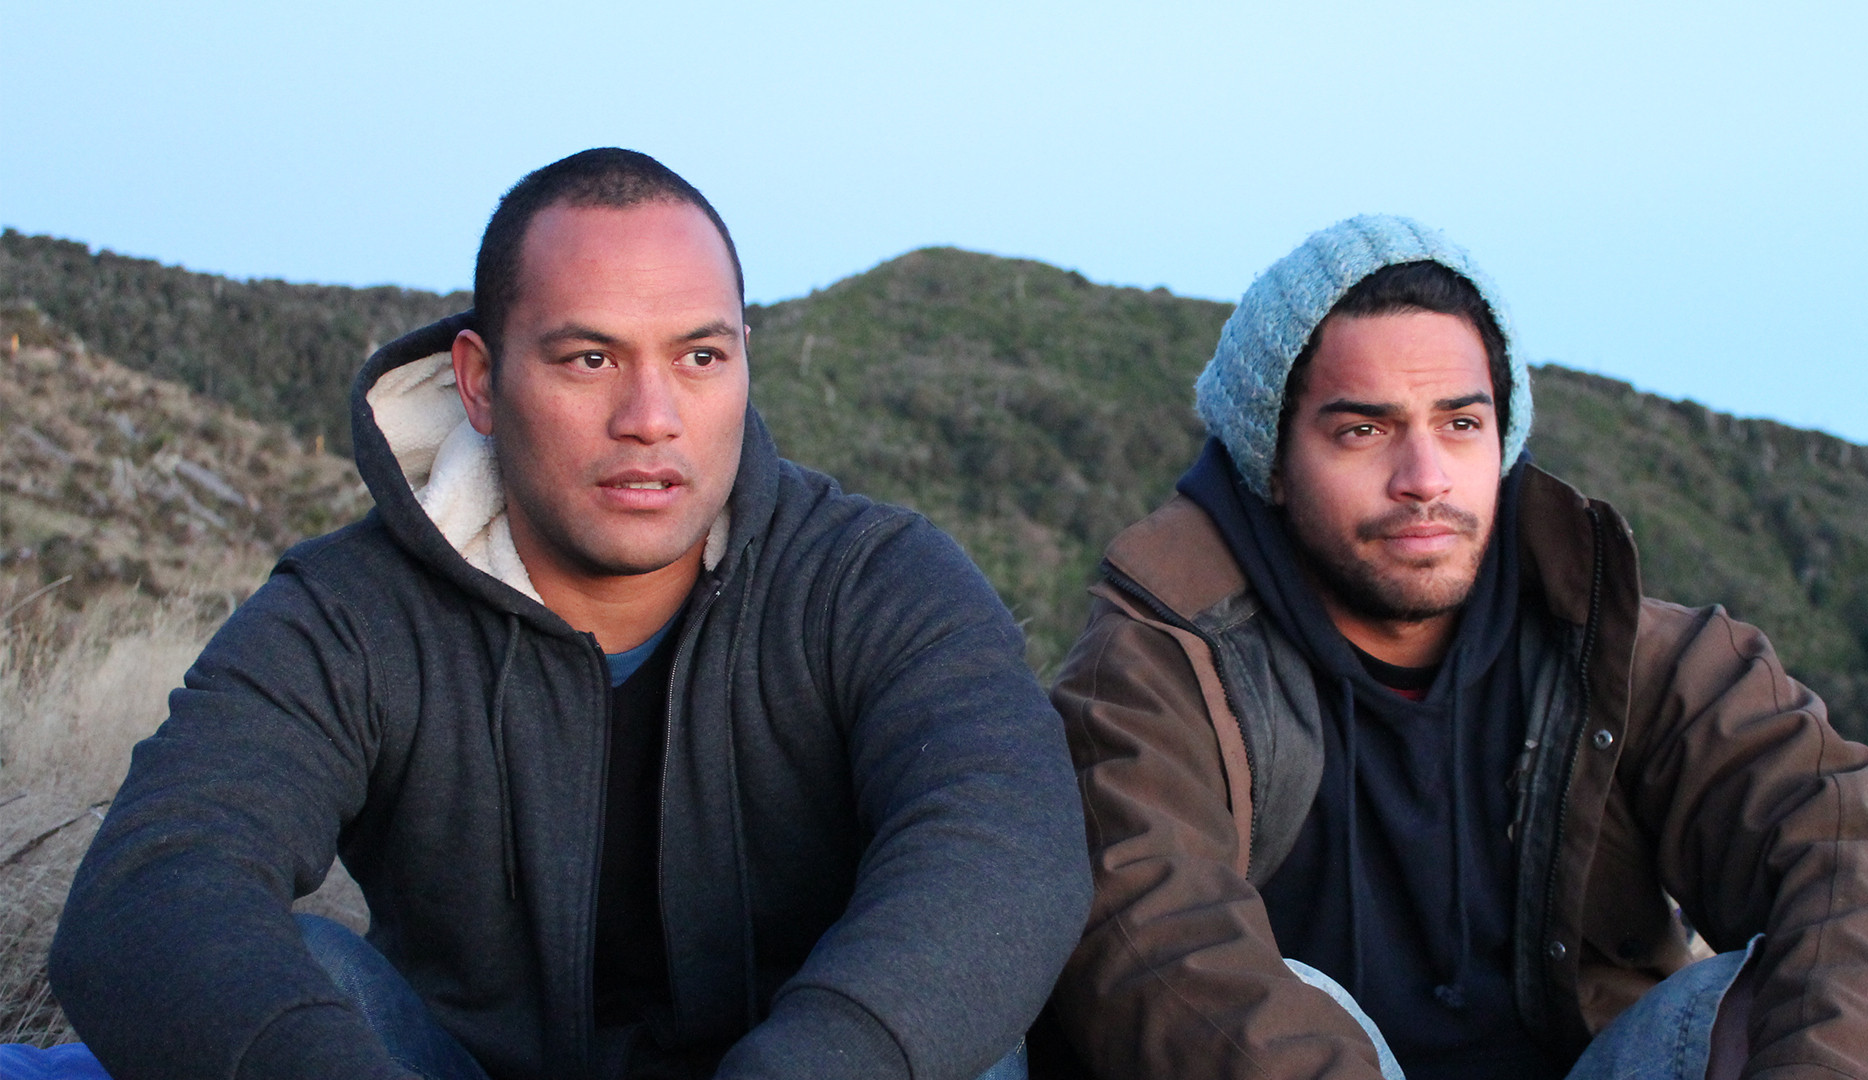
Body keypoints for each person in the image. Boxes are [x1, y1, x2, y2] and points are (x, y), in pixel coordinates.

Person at [48, 148, 1092, 1080]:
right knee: (311, 977)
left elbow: (1006, 846)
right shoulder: (352, 614)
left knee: (959, 1034)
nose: (651, 418)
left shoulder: (874, 580)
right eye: (590, 359)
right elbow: (153, 886)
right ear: (480, 382)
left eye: (700, 357)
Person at [1045, 215, 1868, 1079]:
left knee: (1765, 999)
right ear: (1270, 461)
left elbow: (1846, 859)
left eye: (1461, 424)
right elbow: (1156, 937)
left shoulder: (1641, 657)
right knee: (1300, 990)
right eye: (1364, 431)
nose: (1425, 479)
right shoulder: (1162, 666)